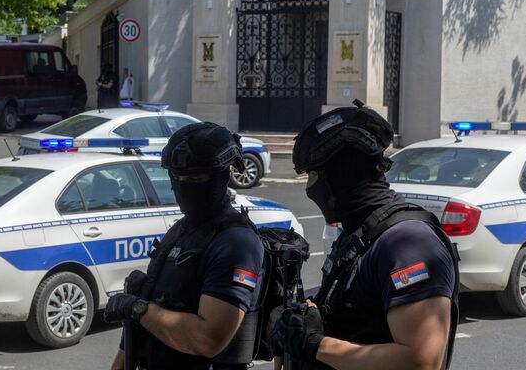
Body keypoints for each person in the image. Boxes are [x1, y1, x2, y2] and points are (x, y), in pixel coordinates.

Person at [270, 100, 459, 370]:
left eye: (313, 175)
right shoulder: (362, 233)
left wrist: (314, 344)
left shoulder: (408, 244)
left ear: (341, 174)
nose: (309, 188)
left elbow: (421, 360)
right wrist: (301, 319)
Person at [104, 122, 265, 370]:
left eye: (195, 178)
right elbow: (138, 333)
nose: (183, 185)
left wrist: (137, 308)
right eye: (176, 177)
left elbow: (209, 340)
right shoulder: (181, 231)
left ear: (222, 177)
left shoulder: (236, 243)